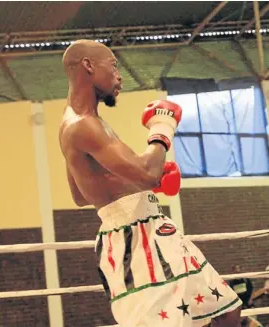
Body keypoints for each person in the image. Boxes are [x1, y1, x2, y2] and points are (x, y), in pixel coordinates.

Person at [59, 40, 241, 327]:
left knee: (226, 311)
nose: (119, 76)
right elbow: (146, 172)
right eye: (113, 66)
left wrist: (140, 185)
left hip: (155, 227)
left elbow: (80, 195)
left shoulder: (81, 122)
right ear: (88, 65)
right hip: (132, 239)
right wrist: (162, 127)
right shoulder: (83, 126)